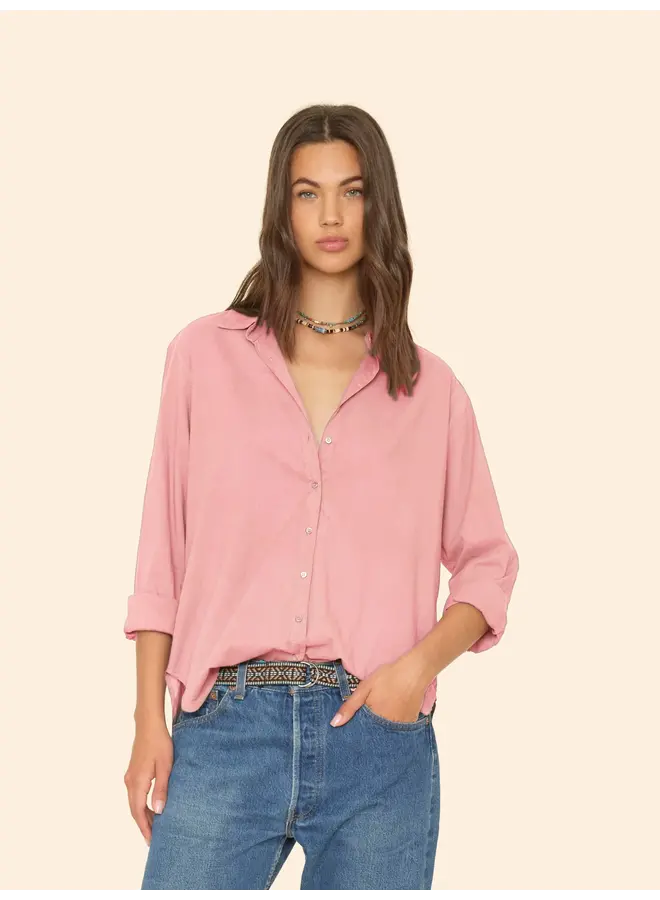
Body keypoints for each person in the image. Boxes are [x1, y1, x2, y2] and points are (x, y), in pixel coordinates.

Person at [123, 103, 520, 892]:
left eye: (352, 191)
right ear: (283, 209)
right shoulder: (204, 357)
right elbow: (162, 557)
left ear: (379, 206)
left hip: (376, 735)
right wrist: (146, 723)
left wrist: (413, 672)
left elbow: (489, 564)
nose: (331, 215)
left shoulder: (430, 390)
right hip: (225, 729)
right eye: (308, 193)